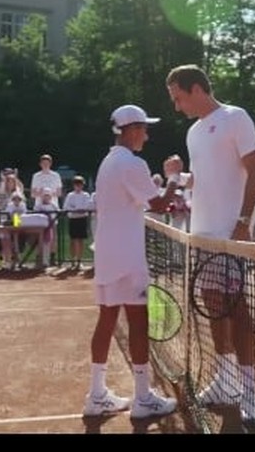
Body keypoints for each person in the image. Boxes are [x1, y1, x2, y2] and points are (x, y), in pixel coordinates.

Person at [166, 64, 255, 424]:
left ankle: (251, 393)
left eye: (178, 97)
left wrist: (242, 222)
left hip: (229, 234)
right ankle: (225, 382)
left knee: (237, 310)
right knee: (212, 307)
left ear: (196, 89)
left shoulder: (235, 117)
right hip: (202, 235)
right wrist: (179, 177)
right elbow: (206, 178)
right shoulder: (193, 133)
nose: (177, 106)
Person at [83, 103, 179, 419]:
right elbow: (161, 204)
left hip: (109, 255)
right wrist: (174, 178)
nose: (147, 136)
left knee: (107, 319)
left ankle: (96, 395)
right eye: (144, 129)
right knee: (139, 323)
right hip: (127, 258)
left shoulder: (108, 162)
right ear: (131, 130)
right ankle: (143, 399)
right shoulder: (132, 163)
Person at [63, 175, 92, 269]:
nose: (78, 186)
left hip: (82, 219)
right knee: (73, 240)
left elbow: (87, 206)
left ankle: (79, 261)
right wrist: (75, 209)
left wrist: (81, 210)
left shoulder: (86, 195)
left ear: (82, 185)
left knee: (80, 240)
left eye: (80, 184)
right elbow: (66, 207)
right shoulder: (70, 195)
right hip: (73, 219)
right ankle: (73, 260)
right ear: (74, 185)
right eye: (76, 184)